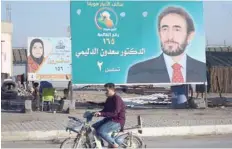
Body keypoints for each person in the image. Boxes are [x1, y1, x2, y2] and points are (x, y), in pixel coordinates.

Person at [127, 6, 206, 83]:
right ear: (159, 34)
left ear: (189, 35)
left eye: (177, 29)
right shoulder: (137, 71)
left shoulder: (202, 69)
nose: (170, 37)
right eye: (165, 29)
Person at [92, 83, 126, 148]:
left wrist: (101, 113)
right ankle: (100, 144)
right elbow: (105, 110)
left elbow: (115, 113)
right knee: (94, 127)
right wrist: (98, 113)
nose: (105, 92)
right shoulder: (109, 99)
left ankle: (114, 145)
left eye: (107, 90)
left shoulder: (117, 98)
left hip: (117, 121)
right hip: (110, 119)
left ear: (112, 90)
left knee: (101, 131)